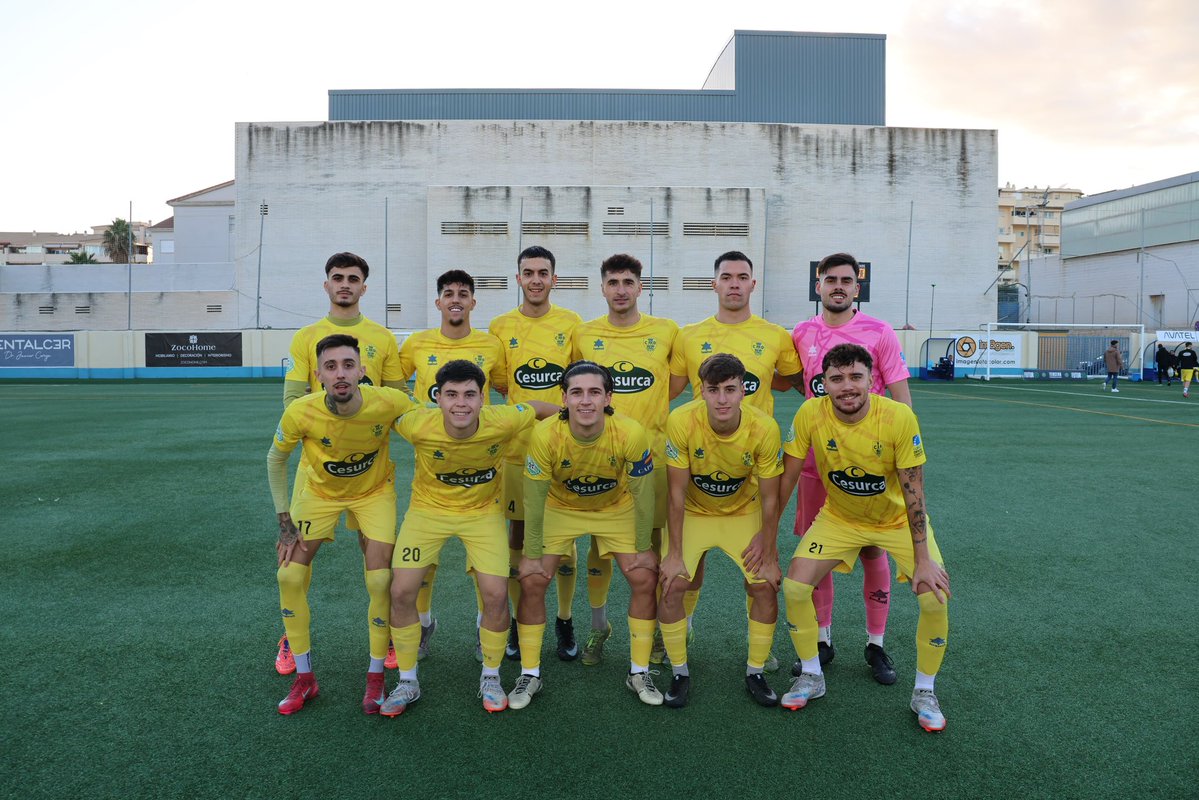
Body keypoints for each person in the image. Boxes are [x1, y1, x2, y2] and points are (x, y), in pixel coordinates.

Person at [777, 343, 951, 732]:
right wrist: (766, 538)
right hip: (839, 518)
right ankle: (811, 675)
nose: (847, 386)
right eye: (836, 379)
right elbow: (786, 479)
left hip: (896, 522)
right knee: (793, 587)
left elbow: (914, 494)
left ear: (873, 381)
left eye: (856, 376)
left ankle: (925, 690)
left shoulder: (899, 418)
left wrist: (923, 560)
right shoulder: (810, 413)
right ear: (823, 384)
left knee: (934, 596)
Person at [379, 361, 557, 716]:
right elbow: (378, 411)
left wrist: (575, 417)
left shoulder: (502, 420)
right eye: (451, 395)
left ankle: (490, 676)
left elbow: (537, 407)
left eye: (470, 395)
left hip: (482, 514)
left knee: (495, 593)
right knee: (400, 592)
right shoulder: (416, 424)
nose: (461, 403)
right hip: (427, 513)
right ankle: (408, 681)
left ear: (483, 398)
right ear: (438, 399)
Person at [267, 334, 421, 715]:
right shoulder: (301, 411)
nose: (340, 374)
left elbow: (428, 428)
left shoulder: (389, 402)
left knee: (379, 580)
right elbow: (275, 459)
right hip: (319, 494)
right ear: (318, 374)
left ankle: (375, 678)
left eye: (348, 366)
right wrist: (285, 523)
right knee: (287, 576)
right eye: (331, 367)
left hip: (373, 494)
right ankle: (304, 679)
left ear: (362, 372)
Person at [667, 250, 802, 671]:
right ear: (715, 284)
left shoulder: (776, 335)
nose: (734, 284)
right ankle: (683, 627)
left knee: (756, 568)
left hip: (750, 462)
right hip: (699, 462)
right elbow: (668, 390)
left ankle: (760, 649)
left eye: (743, 277)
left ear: (752, 285)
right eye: (726, 276)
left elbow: (793, 382)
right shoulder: (689, 336)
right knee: (693, 562)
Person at [275, 252, 407, 677]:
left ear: (364, 287)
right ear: (327, 285)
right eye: (337, 278)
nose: (345, 284)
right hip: (317, 470)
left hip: (371, 470)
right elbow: (292, 403)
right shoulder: (306, 337)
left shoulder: (382, 339)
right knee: (293, 560)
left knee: (376, 562)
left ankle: (384, 635)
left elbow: (401, 408)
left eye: (353, 278)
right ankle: (288, 636)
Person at [789, 252, 912, 684]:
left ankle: (875, 644)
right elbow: (791, 382)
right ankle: (822, 640)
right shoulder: (801, 333)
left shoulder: (879, 332)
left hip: (871, 467)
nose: (838, 286)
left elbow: (901, 397)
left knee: (872, 549)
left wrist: (900, 461)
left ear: (857, 288)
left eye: (846, 280)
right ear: (818, 286)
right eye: (830, 280)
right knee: (814, 550)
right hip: (815, 466)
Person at [510, 361, 661, 708]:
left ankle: (638, 671)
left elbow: (643, 495)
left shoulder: (631, 433)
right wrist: (532, 554)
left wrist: (643, 548)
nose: (586, 401)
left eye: (595, 392)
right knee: (532, 580)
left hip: (615, 507)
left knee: (643, 577)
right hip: (560, 507)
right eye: (576, 392)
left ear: (609, 397)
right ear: (563, 399)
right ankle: (529, 674)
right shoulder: (545, 435)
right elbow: (533, 501)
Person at [658, 353, 784, 708]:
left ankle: (755, 671)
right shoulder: (681, 420)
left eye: (730, 389)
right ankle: (680, 671)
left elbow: (771, 500)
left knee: (764, 585)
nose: (723, 399)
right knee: (672, 583)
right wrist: (674, 554)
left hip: (742, 512)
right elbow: (677, 493)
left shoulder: (764, 427)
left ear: (743, 390)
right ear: (701, 392)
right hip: (695, 512)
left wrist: (770, 552)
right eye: (714, 390)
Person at [571, 254, 678, 665]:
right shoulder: (585, 334)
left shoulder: (666, 332)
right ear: (602, 288)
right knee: (601, 548)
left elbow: (675, 383)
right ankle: (599, 627)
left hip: (650, 463)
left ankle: (652, 635)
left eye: (628, 282)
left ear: (640, 287)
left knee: (650, 551)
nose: (620, 289)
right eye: (613, 282)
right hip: (598, 463)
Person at [397, 269, 508, 660]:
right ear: (438, 302)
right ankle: (424, 622)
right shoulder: (415, 344)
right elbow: (394, 388)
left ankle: (484, 628)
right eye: (448, 293)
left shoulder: (491, 345)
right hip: (432, 465)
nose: (456, 298)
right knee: (424, 564)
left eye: (463, 293)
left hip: (483, 469)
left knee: (486, 566)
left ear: (473, 302)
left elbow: (506, 389)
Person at [488, 246, 583, 662]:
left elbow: (581, 382)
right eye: (529, 272)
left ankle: (563, 619)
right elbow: (501, 386)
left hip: (564, 451)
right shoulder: (499, 327)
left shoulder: (571, 325)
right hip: (516, 454)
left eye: (544, 272)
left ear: (554, 279)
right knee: (519, 536)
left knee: (562, 537)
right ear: (519, 278)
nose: (536, 279)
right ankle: (514, 622)